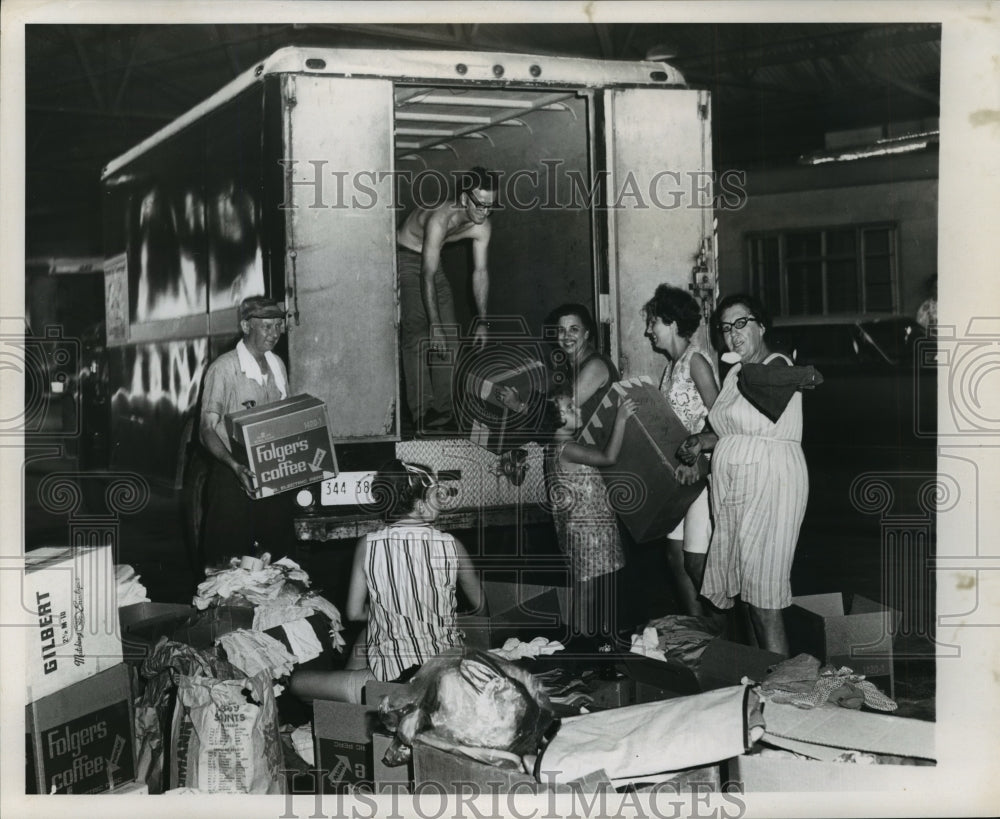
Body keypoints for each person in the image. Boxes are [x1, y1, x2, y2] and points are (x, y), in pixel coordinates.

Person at [676, 293, 808, 655]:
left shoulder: (776, 364)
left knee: (765, 598)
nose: (732, 334)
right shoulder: (736, 371)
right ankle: (761, 676)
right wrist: (701, 440)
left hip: (771, 484)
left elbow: (783, 392)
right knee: (749, 595)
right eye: (724, 328)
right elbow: (737, 429)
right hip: (738, 487)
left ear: (761, 325)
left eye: (741, 324)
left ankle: (783, 691)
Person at [290, 460, 483, 704]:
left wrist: (395, 609)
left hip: (393, 685)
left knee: (297, 683)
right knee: (367, 633)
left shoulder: (367, 545)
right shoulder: (452, 545)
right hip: (446, 678)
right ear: (422, 505)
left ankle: (350, 721)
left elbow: (354, 612)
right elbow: (480, 608)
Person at [396, 167, 498, 431]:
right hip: (406, 256)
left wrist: (483, 321)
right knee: (419, 331)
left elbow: (481, 272)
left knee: (450, 336)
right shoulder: (440, 219)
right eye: (480, 205)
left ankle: (443, 411)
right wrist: (434, 326)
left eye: (491, 206)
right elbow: (425, 275)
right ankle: (423, 411)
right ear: (465, 199)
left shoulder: (483, 225)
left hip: (432, 257)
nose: (485, 212)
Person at [198, 295, 294, 565]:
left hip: (272, 473)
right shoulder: (224, 369)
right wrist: (235, 466)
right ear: (245, 325)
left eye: (278, 326)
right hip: (232, 474)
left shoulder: (277, 365)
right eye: (266, 326)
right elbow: (206, 430)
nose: (275, 333)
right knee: (228, 564)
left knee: (277, 560)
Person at [642, 284, 720, 617]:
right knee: (675, 558)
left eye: (653, 322)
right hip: (678, 481)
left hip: (700, 479)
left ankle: (724, 635)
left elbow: (721, 422)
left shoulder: (697, 362)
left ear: (672, 323)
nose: (648, 331)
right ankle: (696, 636)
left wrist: (699, 452)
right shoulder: (670, 368)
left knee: (695, 562)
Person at [545, 390, 636, 650]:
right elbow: (609, 458)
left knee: (586, 590)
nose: (579, 410)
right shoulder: (568, 448)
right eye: (571, 408)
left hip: (582, 528)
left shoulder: (555, 447)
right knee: (588, 592)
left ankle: (583, 642)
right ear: (559, 418)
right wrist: (620, 419)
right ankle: (583, 645)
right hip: (589, 531)